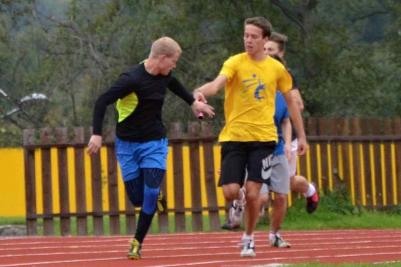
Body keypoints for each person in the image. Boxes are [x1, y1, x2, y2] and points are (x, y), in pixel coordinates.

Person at [87, 36, 214, 260]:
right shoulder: (131, 79)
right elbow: (101, 101)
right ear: (162, 58)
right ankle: (154, 199)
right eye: (173, 61)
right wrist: (96, 134)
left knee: (151, 191)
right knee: (137, 198)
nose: (175, 66)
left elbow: (175, 85)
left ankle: (137, 242)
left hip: (154, 143)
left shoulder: (165, 76)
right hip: (127, 145)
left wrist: (194, 103)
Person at [193, 17, 307, 257]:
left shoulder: (277, 69)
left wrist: (302, 137)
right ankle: (241, 198)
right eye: (246, 35)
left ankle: (248, 238)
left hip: (264, 140)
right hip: (234, 137)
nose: (248, 40)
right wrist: (198, 93)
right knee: (231, 191)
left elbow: (292, 105)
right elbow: (215, 85)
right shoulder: (234, 62)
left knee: (256, 192)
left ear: (265, 39)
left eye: (254, 36)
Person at [264, 32, 319, 213]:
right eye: (264, 49)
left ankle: (309, 190)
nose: (267, 53)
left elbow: (299, 105)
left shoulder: (286, 76)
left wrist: (279, 106)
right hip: (262, 135)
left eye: (271, 50)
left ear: (281, 54)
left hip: (286, 136)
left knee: (286, 181)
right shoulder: (257, 71)